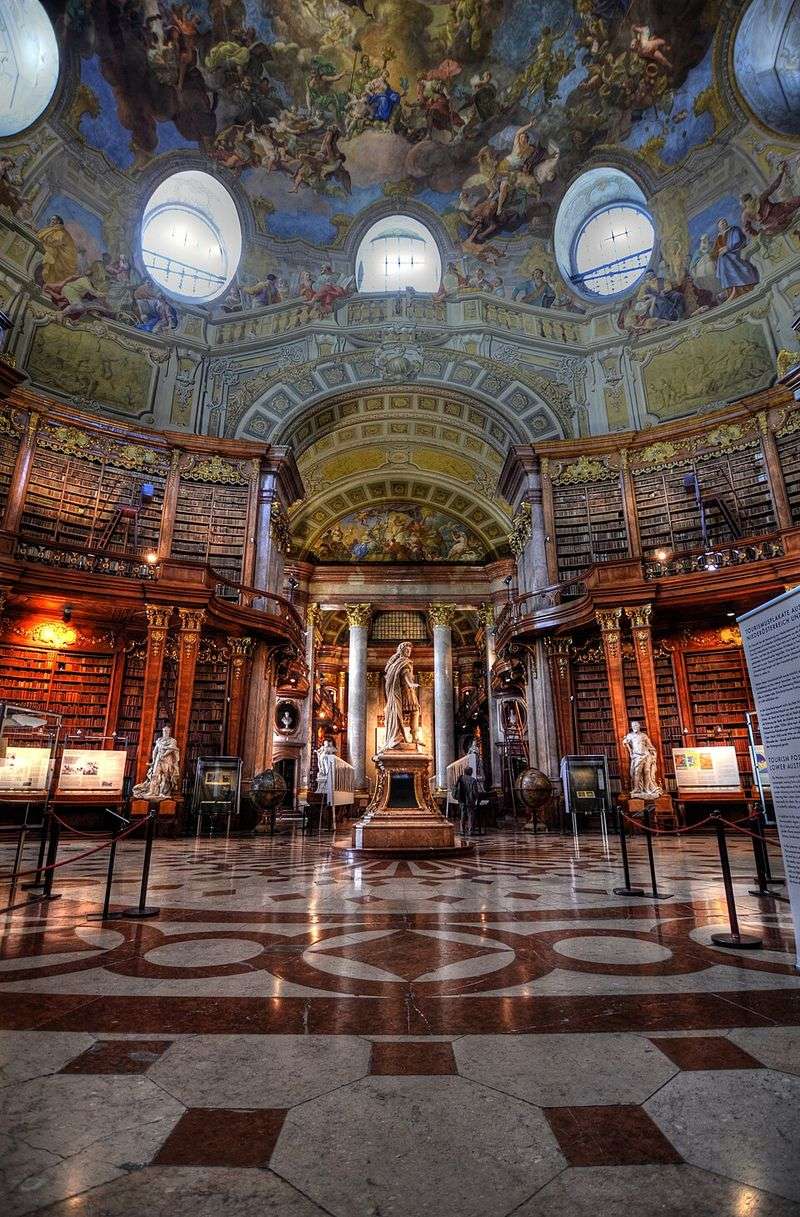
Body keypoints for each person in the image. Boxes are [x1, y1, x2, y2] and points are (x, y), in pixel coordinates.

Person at [382, 642, 420, 750]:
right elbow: (405, 674)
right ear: (402, 651)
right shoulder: (404, 662)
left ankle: (409, 736)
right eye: (406, 650)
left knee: (403, 713)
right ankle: (414, 737)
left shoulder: (395, 663)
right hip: (405, 692)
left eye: (409, 650)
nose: (408, 652)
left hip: (399, 693)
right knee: (415, 711)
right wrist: (411, 684)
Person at [132, 724, 181, 801]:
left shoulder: (172, 740)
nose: (165, 732)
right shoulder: (159, 740)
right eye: (164, 731)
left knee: (166, 776)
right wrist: (154, 760)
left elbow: (171, 749)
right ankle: (152, 792)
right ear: (162, 731)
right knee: (154, 775)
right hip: (158, 759)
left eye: (167, 731)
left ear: (169, 732)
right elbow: (155, 751)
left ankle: (163, 792)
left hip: (167, 760)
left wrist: (164, 755)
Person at [622, 721, 661, 799]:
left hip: (646, 755)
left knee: (647, 772)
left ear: (639, 726)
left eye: (636, 725)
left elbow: (650, 746)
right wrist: (630, 751)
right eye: (633, 725)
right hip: (637, 756)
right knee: (637, 772)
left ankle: (646, 788)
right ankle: (637, 788)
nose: (634, 727)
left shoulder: (644, 735)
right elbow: (625, 743)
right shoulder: (630, 735)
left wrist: (654, 756)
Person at [453, 765, 480, 838]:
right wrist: (477, 797)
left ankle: (462, 830)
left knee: (463, 815)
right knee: (470, 815)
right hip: (470, 800)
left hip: (462, 800)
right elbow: (475, 791)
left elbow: (456, 787)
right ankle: (470, 831)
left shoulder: (460, 779)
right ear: (470, 772)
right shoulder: (473, 780)